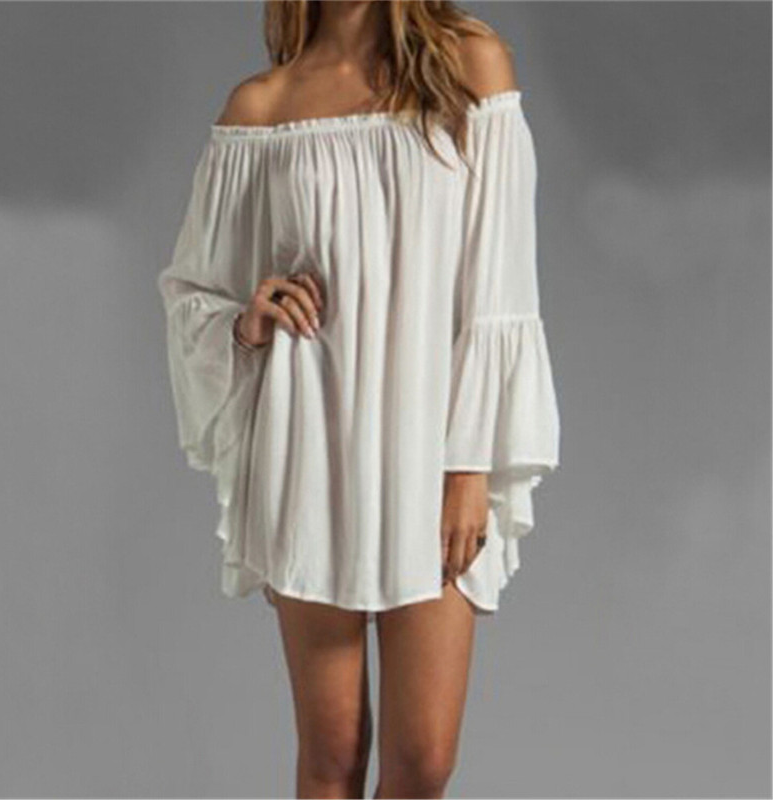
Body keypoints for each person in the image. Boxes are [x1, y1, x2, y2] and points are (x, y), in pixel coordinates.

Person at [157, 1, 560, 796]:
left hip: (434, 448)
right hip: (309, 446)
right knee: (332, 754)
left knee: (423, 762)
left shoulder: (469, 66)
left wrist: (469, 463)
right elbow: (192, 289)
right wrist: (246, 321)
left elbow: (501, 286)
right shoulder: (263, 106)